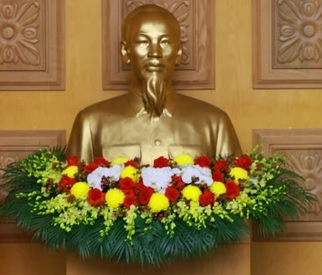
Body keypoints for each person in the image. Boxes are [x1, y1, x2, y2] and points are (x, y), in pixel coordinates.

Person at [67, 4, 241, 163]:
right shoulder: (91, 123)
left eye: (165, 42)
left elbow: (238, 192)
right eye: (143, 42)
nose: (155, 53)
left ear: (178, 51)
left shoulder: (215, 124)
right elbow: (72, 192)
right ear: (125, 51)